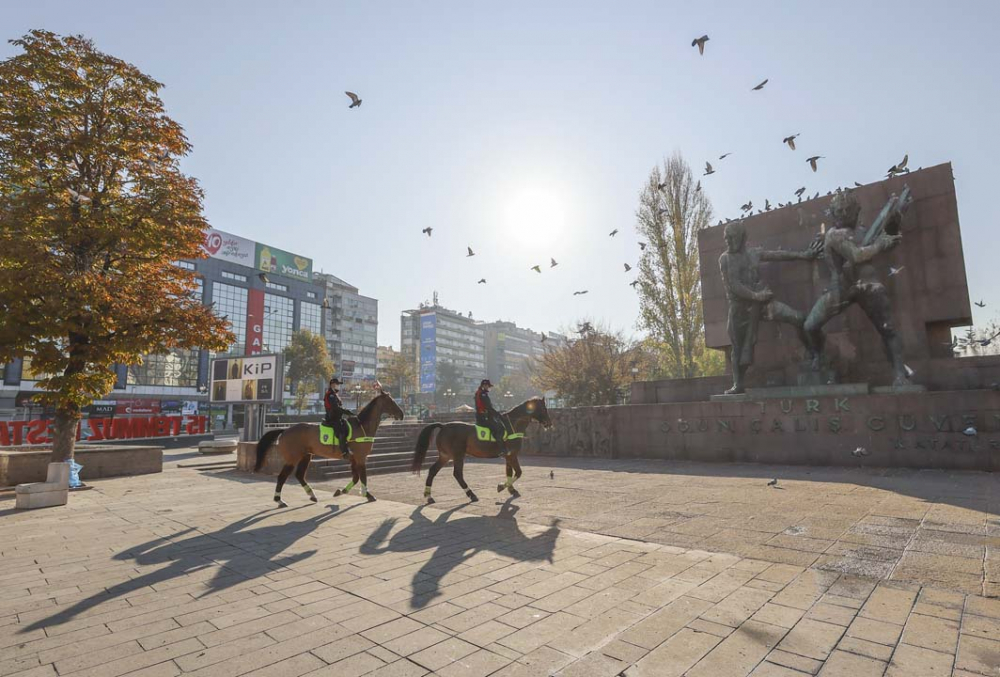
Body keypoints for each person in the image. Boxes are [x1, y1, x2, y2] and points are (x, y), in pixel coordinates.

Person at [804, 189, 908, 385]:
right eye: (838, 211)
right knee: (810, 326)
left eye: (847, 210)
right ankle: (819, 356)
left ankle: (900, 374)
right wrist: (880, 245)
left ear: (856, 210)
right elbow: (857, 255)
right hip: (841, 288)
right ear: (833, 213)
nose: (843, 214)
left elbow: (885, 240)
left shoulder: (863, 232)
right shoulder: (834, 234)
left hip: (867, 284)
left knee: (888, 330)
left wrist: (894, 225)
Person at [718, 219, 822, 394]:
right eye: (725, 238)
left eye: (731, 237)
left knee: (799, 318)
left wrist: (804, 255)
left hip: (763, 304)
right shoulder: (725, 259)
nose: (727, 241)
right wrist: (756, 296)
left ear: (741, 237)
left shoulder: (753, 254)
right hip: (740, 310)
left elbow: (777, 255)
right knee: (738, 349)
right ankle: (738, 384)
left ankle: (814, 354)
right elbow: (734, 286)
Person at [474, 379, 510, 456]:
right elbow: (488, 407)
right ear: (484, 385)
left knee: (496, 425)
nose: (488, 388)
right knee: (499, 428)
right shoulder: (483, 394)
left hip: (481, 416)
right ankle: (502, 449)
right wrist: (498, 415)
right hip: (483, 418)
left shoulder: (479, 393)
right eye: (488, 386)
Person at [323, 377, 353, 458]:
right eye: (337, 384)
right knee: (341, 432)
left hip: (337, 417)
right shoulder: (330, 395)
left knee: (346, 426)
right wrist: (346, 411)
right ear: (333, 385)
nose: (338, 386)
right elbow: (335, 408)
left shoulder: (334, 394)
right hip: (332, 418)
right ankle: (344, 452)